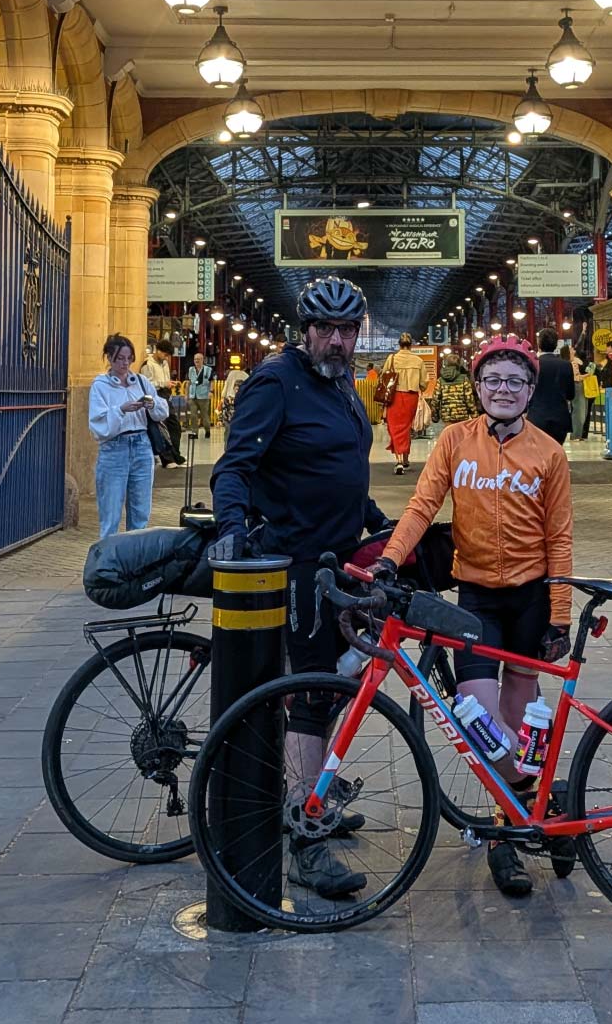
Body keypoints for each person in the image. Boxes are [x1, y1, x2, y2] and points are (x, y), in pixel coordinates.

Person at [372, 333, 574, 899]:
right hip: (478, 600)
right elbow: (422, 506)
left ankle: (505, 837)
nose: (503, 389)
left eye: (515, 380)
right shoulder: (455, 441)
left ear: (530, 390)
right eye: (493, 380)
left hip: (532, 601)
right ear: (479, 387)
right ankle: (543, 801)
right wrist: (389, 558)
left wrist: (560, 617)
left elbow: (559, 538)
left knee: (520, 725)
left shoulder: (549, 454)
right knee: (483, 725)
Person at [211, 276, 391, 901]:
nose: (337, 341)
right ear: (305, 330)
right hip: (296, 564)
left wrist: (377, 522)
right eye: (326, 329)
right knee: (313, 694)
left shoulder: (341, 383)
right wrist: (231, 530)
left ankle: (314, 789)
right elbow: (235, 467)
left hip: (338, 559)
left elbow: (339, 471)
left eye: (347, 330)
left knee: (336, 684)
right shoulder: (275, 382)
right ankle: (305, 839)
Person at [89, 333, 170, 539]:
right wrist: (121, 409)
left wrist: (152, 404)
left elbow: (162, 412)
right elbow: (99, 425)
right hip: (114, 448)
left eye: (129, 358)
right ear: (109, 358)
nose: (125, 363)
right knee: (111, 512)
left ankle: (136, 555)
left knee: (140, 511)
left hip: (142, 446)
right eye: (120, 358)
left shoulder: (141, 381)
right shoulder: (100, 385)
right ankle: (109, 556)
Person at [383, 332, 429, 474]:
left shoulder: (392, 359)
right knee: (406, 427)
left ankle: (399, 461)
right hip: (411, 397)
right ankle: (406, 458)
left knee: (395, 428)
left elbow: (384, 377)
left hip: (394, 397)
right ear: (411, 345)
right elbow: (424, 383)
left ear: (399, 344)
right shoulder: (418, 361)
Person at [526, 328, 575, 445]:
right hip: (560, 418)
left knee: (538, 452)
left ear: (538, 343)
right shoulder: (566, 365)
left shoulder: (531, 364)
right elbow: (571, 395)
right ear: (556, 344)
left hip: (536, 417)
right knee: (556, 452)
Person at [143, 338, 185, 465]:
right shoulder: (147, 365)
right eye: (165, 354)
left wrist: (169, 384)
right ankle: (166, 459)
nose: (166, 358)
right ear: (158, 351)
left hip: (166, 396)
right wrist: (163, 384)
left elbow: (166, 378)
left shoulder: (165, 363)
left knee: (174, 425)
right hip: (154, 396)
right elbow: (146, 384)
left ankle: (175, 455)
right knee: (161, 428)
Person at [429, 352, 478, 425]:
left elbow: (435, 400)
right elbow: (469, 399)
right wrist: (475, 416)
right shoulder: (464, 379)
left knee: (449, 432)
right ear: (459, 364)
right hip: (462, 417)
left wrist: (435, 417)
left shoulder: (440, 380)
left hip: (447, 416)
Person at [560, 343, 587, 440]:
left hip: (577, 385)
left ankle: (576, 434)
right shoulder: (572, 363)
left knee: (581, 410)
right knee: (579, 411)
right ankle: (576, 435)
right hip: (577, 385)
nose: (573, 350)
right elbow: (576, 377)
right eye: (571, 349)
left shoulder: (572, 361)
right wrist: (588, 375)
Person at [187, 351, 214, 438]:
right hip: (193, 395)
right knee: (193, 415)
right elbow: (189, 382)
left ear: (202, 360)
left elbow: (212, 381)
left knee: (204, 415)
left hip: (204, 396)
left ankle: (207, 430)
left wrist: (211, 391)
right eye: (195, 359)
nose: (196, 361)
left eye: (198, 359)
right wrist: (186, 394)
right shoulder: (191, 369)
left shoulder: (208, 369)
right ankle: (195, 433)